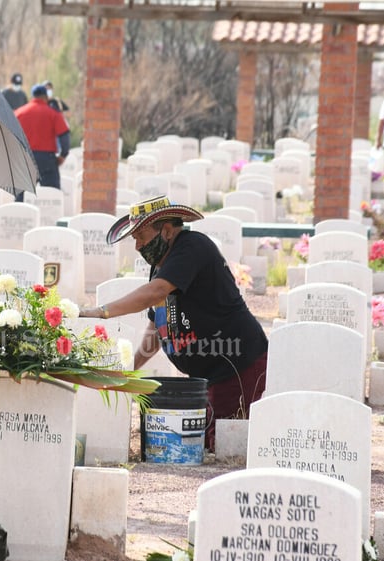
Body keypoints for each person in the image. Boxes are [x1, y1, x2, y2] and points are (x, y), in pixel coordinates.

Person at [78, 196, 269, 451]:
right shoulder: (160, 266)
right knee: (203, 442)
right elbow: (158, 327)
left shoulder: (192, 247)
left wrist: (101, 312)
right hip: (207, 374)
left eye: (141, 236)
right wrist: (129, 369)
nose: (137, 246)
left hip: (237, 364)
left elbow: (156, 292)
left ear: (166, 231)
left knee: (221, 445)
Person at [14, 83, 70, 199]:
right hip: (47, 159)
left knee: (21, 195)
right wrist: (63, 155)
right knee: (51, 196)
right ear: (46, 97)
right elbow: (64, 136)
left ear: (33, 96)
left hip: (25, 158)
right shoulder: (53, 113)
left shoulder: (19, 113)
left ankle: (20, 213)